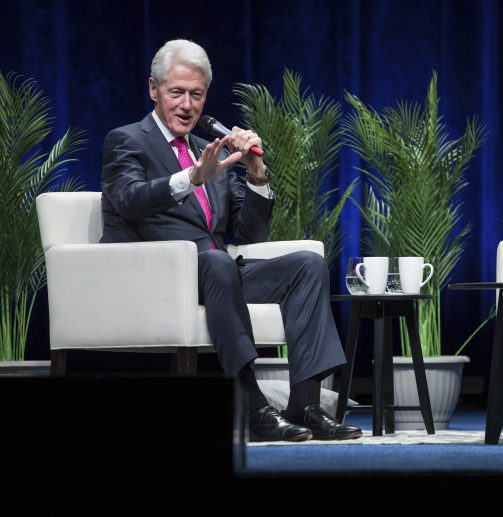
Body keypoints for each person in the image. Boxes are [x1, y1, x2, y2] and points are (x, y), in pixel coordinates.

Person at [100, 39, 362, 442]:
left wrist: (256, 173)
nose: (187, 105)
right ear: (153, 89)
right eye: (176, 93)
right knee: (218, 262)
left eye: (196, 95)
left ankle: (306, 406)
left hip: (216, 275)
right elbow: (129, 200)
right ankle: (254, 408)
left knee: (305, 265)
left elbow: (247, 234)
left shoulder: (210, 152)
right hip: (159, 278)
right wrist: (191, 178)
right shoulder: (127, 140)